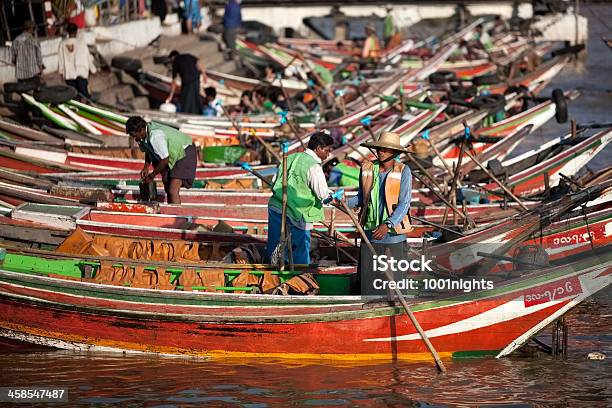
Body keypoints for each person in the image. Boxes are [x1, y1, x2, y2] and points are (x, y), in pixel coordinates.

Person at [344, 132, 412, 295]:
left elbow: (404, 203)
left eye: (386, 150)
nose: (381, 152)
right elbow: (362, 197)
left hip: (393, 233)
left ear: (394, 153)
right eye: (380, 149)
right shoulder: (368, 168)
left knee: (396, 277)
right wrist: (344, 203)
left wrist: (388, 225)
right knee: (368, 276)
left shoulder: (403, 171)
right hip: (370, 230)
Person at [265, 132, 335, 265]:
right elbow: (323, 195)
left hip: (276, 206)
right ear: (319, 148)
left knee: (275, 244)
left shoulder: (290, 158)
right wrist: (334, 198)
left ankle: (272, 270)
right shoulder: (314, 166)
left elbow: (275, 182)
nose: (328, 154)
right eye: (327, 150)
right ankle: (301, 277)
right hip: (298, 211)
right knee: (300, 247)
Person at [125, 116, 197, 204]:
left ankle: (176, 214)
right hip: (171, 155)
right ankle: (170, 210)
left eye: (135, 135)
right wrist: (146, 167)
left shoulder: (155, 136)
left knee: (173, 189)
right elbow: (149, 151)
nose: (135, 138)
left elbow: (164, 160)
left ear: (142, 130)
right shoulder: (143, 137)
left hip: (184, 151)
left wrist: (152, 176)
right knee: (167, 185)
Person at [57, 23, 95, 100]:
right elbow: (88, 57)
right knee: (84, 95)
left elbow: (60, 60)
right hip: (81, 72)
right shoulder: (81, 43)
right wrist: (93, 69)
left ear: (67, 32)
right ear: (77, 31)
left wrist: (61, 73)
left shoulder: (62, 44)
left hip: (69, 74)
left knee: (73, 95)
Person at [166, 50, 207, 114]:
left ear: (172, 57)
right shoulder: (188, 55)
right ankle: (198, 113)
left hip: (187, 81)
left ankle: (187, 114)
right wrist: (204, 74)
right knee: (196, 97)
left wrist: (170, 96)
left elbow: (174, 81)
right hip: (196, 78)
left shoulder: (175, 61)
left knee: (186, 101)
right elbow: (198, 63)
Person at [11, 20, 44, 86]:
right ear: (31, 29)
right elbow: (39, 59)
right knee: (35, 94)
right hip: (33, 73)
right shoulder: (35, 40)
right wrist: (41, 71)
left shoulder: (16, 40)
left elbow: (13, 59)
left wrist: (19, 65)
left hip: (21, 75)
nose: (34, 31)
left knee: (24, 93)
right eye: (34, 29)